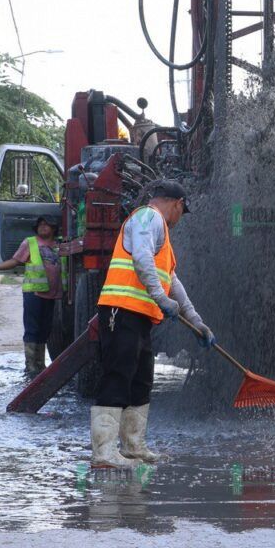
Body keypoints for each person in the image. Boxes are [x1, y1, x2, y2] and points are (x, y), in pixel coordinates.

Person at [91, 180, 214, 469]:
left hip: (139, 316)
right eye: (182, 213)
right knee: (118, 377)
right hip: (120, 311)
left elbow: (172, 281)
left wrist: (197, 321)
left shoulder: (162, 235)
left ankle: (134, 448)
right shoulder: (148, 217)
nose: (180, 220)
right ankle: (104, 454)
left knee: (141, 380)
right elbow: (142, 259)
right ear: (177, 204)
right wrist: (160, 298)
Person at [0, 217, 63, 376]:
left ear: (54, 228)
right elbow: (15, 261)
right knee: (32, 329)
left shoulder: (59, 245)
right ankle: (31, 366)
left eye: (46, 224)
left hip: (52, 295)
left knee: (45, 330)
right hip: (34, 292)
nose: (42, 227)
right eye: (40, 225)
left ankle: (40, 365)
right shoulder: (30, 243)